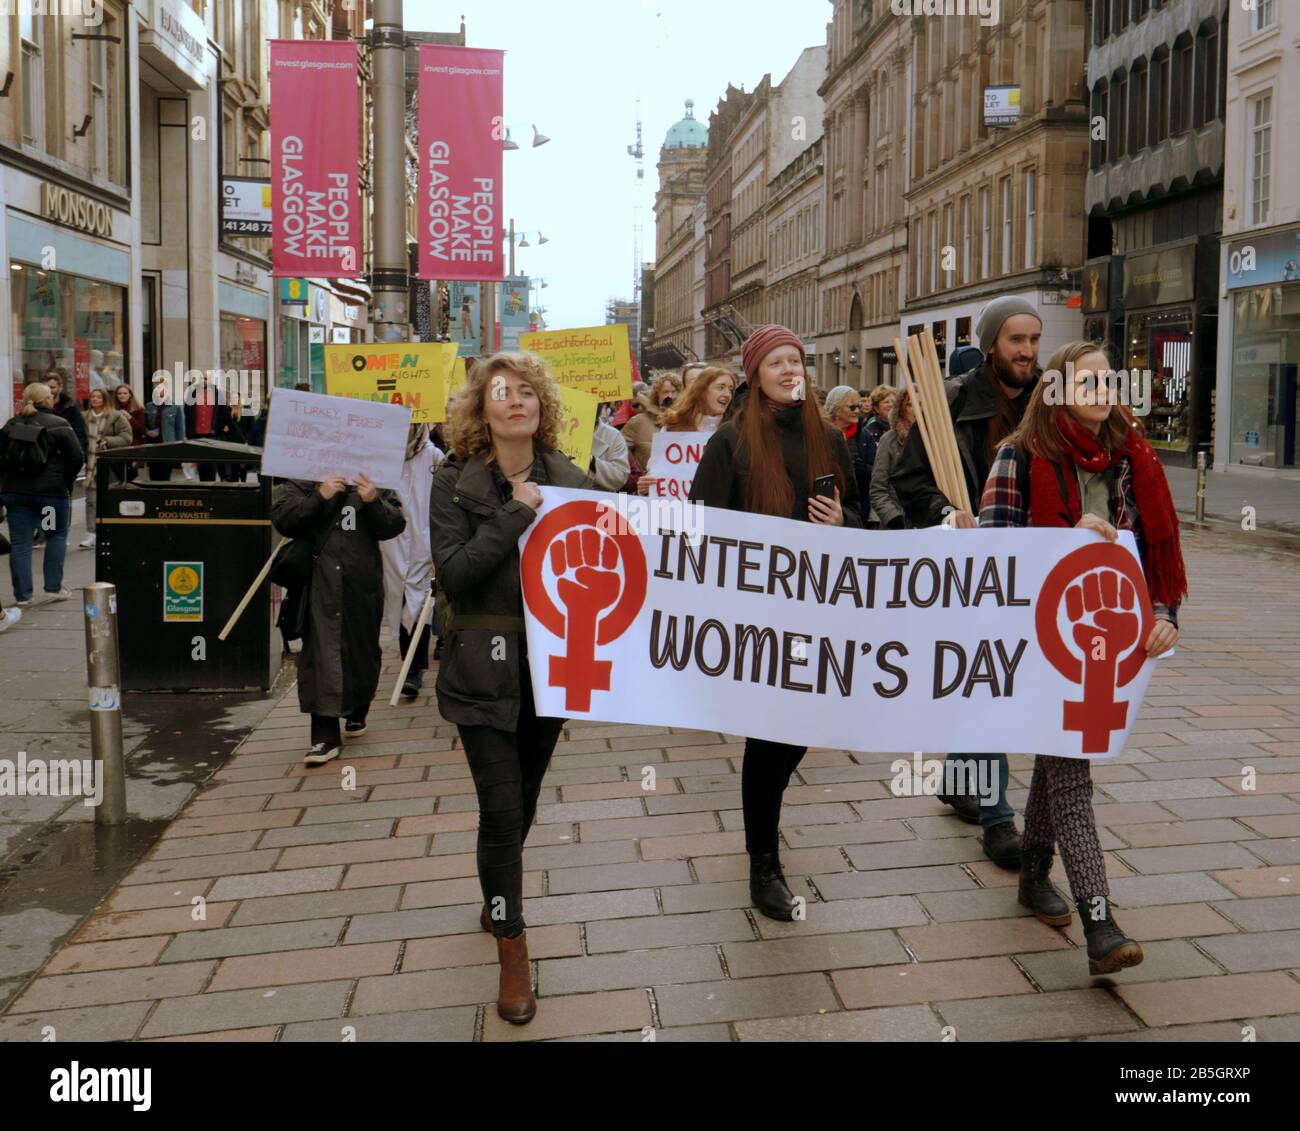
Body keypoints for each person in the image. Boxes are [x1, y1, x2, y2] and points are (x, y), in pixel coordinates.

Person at [980, 340, 1186, 974]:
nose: (1105, 388)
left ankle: (1034, 871)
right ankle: (1099, 920)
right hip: (1040, 638)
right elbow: (990, 554)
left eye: (1110, 379)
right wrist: (1062, 543)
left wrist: (1164, 614)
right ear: (1059, 391)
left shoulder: (1133, 458)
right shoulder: (1020, 455)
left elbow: (1153, 550)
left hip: (1107, 640)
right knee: (1072, 765)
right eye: (1089, 379)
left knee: (1060, 754)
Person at [429, 351, 591, 1025]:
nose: (515, 401)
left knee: (519, 801)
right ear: (481, 406)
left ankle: (497, 891)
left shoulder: (574, 480)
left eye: (527, 391)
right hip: (478, 668)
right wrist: (516, 515)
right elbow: (456, 571)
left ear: (542, 405)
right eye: (502, 392)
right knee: (500, 807)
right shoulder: (453, 482)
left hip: (550, 674)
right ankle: (513, 945)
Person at [690, 325, 861, 921]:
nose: (791, 370)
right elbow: (702, 530)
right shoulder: (730, 444)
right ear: (754, 375)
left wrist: (844, 521)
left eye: (797, 361)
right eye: (777, 362)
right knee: (769, 738)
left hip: (821, 612)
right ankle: (763, 862)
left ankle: (766, 831)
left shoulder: (832, 441)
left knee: (798, 731)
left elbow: (862, 514)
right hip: (757, 618)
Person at [891, 297, 1044, 867]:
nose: (1027, 351)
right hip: (970, 567)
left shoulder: (1050, 404)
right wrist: (943, 513)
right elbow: (909, 480)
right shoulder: (948, 402)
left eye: (1033, 339)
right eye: (1015, 340)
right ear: (990, 346)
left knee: (997, 682)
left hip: (1032, 566)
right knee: (988, 681)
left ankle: (961, 780)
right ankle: (999, 816)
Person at [271, 470, 405, 765]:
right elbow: (284, 519)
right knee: (320, 651)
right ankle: (324, 734)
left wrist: (372, 501)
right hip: (319, 581)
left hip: (361, 581)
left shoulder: (373, 474)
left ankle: (357, 708)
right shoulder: (304, 474)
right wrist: (320, 496)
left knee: (362, 649)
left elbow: (394, 524)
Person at [0, 383, 84, 605]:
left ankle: (22, 596)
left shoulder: (12, 424)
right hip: (50, 496)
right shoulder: (59, 424)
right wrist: (65, 482)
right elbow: (76, 457)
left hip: (16, 493)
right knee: (55, 535)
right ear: (47, 399)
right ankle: (53, 588)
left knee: (20, 543)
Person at [383, 423, 443, 700]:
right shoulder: (382, 454)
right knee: (400, 601)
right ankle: (411, 662)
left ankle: (414, 669)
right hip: (391, 542)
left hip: (425, 540)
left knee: (419, 602)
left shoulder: (434, 457)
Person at [79, 387, 132, 549]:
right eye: (92, 397)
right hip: (90, 465)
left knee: (109, 500)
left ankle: (111, 531)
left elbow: (126, 437)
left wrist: (107, 440)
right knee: (91, 501)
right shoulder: (83, 417)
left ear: (105, 399)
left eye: (98, 397)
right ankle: (91, 534)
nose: (95, 399)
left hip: (108, 465)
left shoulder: (116, 416)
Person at [868, 388, 916, 530]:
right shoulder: (889, 440)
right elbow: (878, 488)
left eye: (921, 404)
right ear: (901, 409)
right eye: (910, 404)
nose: (917, 409)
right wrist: (894, 518)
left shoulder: (939, 441)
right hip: (898, 526)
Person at [824, 386, 869, 523]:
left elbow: (876, 471)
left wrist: (858, 466)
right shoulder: (821, 433)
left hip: (857, 506)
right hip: (825, 504)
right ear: (836, 409)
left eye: (859, 406)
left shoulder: (864, 436)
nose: (857, 411)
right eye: (852, 407)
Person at [621, 372, 681, 472]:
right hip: (648, 484)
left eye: (674, 392)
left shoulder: (688, 421)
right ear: (657, 395)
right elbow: (618, 450)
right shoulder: (638, 422)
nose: (670, 396)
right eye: (665, 392)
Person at [183, 374, 231, 482]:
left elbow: (224, 412)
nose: (204, 380)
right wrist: (188, 432)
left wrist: (224, 426)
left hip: (212, 434)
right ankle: (203, 485)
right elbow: (187, 413)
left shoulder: (217, 394)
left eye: (206, 378)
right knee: (201, 464)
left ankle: (211, 486)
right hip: (196, 434)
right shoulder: (192, 394)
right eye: (202, 378)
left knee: (211, 463)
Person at [145, 375, 186, 481]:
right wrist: (147, 432)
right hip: (152, 447)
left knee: (165, 477)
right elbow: (144, 425)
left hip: (168, 446)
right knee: (153, 476)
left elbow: (179, 429)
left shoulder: (175, 407)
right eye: (156, 387)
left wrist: (179, 448)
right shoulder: (149, 406)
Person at [43, 370, 88, 457]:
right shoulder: (39, 407)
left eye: (52, 387)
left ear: (60, 387)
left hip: (65, 455)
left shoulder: (71, 407)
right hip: (45, 456)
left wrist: (77, 455)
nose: (49, 391)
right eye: (46, 388)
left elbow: (79, 433)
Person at [113, 383, 147, 483]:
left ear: (130, 395)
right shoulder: (113, 409)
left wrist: (130, 418)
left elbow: (141, 430)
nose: (122, 395)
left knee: (131, 476)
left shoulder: (138, 409)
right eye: (119, 393)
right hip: (117, 446)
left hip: (133, 447)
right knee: (119, 475)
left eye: (125, 393)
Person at [589, 420, 631, 491]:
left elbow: (620, 477)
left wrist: (592, 461)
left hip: (597, 498)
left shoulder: (613, 435)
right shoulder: (564, 429)